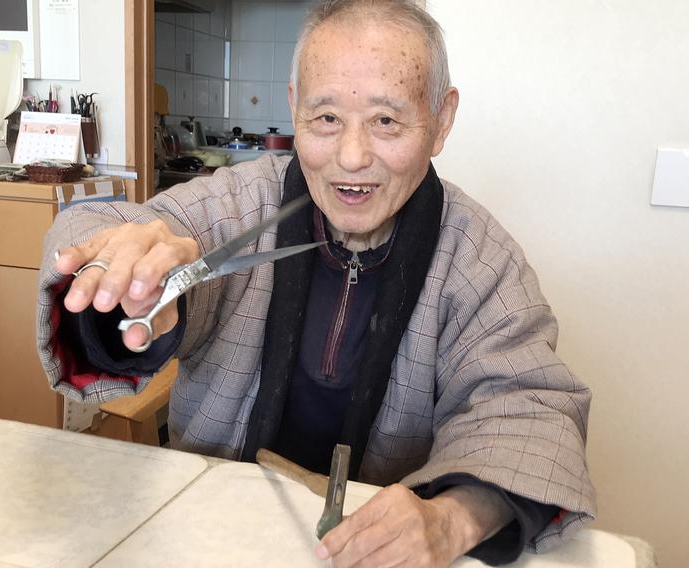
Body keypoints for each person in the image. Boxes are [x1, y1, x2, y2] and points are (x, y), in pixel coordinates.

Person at [37, 0, 596, 565]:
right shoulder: (237, 203)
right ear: (293, 107)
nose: (351, 157)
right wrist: (123, 271)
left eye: (386, 121)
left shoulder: (479, 258)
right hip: (215, 528)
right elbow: (98, 227)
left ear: (442, 120)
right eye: (326, 118)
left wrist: (449, 521)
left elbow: (531, 409)